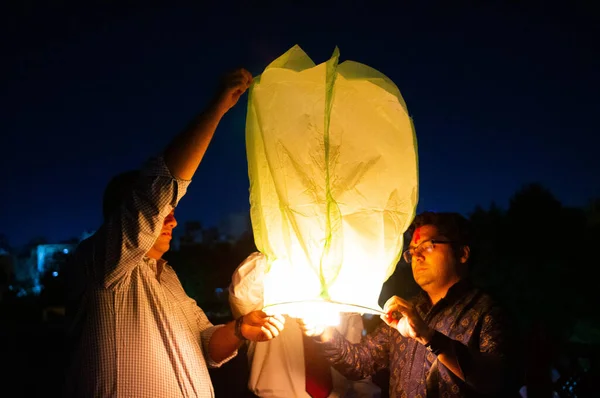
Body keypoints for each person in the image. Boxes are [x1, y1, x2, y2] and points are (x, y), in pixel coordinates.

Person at [64, 68, 285, 398]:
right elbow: (159, 190)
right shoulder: (105, 267)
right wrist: (218, 109)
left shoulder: (168, 279)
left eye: (173, 215)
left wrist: (240, 328)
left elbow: (207, 343)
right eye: (164, 215)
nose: (173, 222)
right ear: (125, 220)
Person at [300, 212, 515, 397]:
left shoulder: (487, 311)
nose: (417, 256)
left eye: (429, 246)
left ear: (462, 253)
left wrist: (428, 336)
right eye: (411, 251)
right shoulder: (405, 313)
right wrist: (322, 332)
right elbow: (359, 364)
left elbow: (496, 381)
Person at [229, 252, 381, 398]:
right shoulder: (266, 289)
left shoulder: (342, 292)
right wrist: (285, 251)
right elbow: (241, 290)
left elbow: (357, 358)